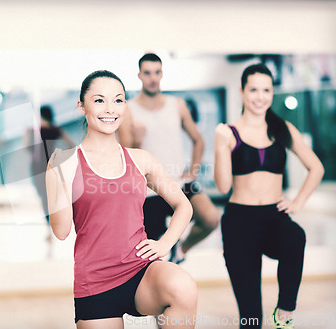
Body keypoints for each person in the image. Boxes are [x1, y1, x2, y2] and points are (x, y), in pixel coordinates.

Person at [46, 70, 197, 328]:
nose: (110, 109)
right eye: (99, 100)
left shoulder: (141, 159)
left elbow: (183, 204)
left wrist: (165, 244)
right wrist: (57, 174)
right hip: (95, 281)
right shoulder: (66, 162)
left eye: (118, 100)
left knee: (183, 287)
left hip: (140, 272)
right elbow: (61, 231)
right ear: (81, 106)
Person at [214, 63, 324, 329]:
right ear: (242, 92)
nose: (260, 96)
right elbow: (222, 186)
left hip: (274, 218)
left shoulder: (281, 128)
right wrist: (220, 145)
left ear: (272, 92)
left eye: (266, 90)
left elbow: (316, 167)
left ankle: (284, 313)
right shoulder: (228, 133)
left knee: (295, 236)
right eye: (253, 89)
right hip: (240, 221)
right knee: (251, 319)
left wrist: (298, 202)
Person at [118, 53, 221, 263]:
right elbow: (126, 157)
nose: (153, 78)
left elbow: (198, 140)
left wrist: (192, 172)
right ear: (139, 75)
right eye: (147, 73)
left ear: (162, 73)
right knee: (151, 253)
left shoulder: (178, 105)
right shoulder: (128, 111)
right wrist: (137, 141)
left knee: (211, 218)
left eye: (157, 72)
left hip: (179, 182)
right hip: (149, 190)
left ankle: (181, 250)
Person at [27, 105, 74, 255]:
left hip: (37, 167)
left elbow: (27, 148)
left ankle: (49, 228)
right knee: (51, 198)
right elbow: (71, 144)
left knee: (43, 198)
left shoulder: (34, 131)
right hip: (51, 165)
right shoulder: (56, 130)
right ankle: (53, 227)